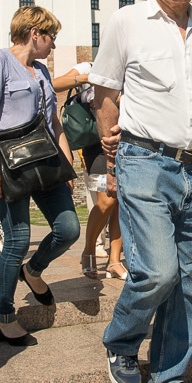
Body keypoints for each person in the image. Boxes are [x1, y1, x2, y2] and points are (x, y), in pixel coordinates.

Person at [90, 0, 192, 383]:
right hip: (143, 158)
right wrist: (109, 139)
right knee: (158, 269)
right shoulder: (126, 21)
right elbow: (104, 84)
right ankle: (122, 344)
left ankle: (167, 380)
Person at [0, 6, 80, 346]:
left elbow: (54, 122)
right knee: (16, 241)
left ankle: (33, 270)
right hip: (7, 164)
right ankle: (5, 315)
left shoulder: (42, 73)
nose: (54, 46)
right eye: (52, 38)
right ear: (36, 34)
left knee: (69, 229)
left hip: (45, 162)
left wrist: (67, 162)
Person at [55, 62, 126, 281]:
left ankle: (114, 261)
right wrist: (88, 78)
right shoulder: (89, 66)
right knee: (107, 201)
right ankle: (88, 251)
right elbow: (54, 84)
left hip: (125, 140)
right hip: (96, 145)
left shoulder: (125, 67)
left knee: (121, 204)